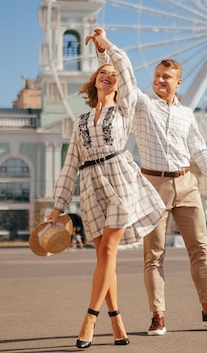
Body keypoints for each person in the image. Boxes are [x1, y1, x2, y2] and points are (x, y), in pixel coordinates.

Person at [95, 45, 207, 335]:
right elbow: (122, 77)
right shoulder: (142, 105)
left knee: (200, 249)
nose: (159, 80)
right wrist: (104, 51)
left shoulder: (187, 115)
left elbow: (199, 149)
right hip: (153, 185)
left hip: (187, 184)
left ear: (177, 82)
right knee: (154, 255)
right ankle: (158, 315)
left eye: (166, 77)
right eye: (157, 75)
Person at [47, 28, 165, 349]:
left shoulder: (124, 108)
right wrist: (57, 205)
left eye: (113, 75)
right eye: (103, 73)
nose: (109, 76)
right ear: (94, 81)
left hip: (120, 177)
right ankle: (117, 322)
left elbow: (123, 66)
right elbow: (70, 163)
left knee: (109, 251)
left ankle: (89, 319)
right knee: (102, 256)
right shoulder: (80, 121)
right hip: (90, 185)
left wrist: (106, 47)